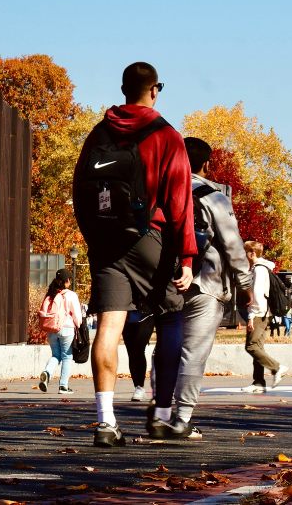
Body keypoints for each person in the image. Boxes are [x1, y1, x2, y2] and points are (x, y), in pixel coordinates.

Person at [73, 62, 196, 448]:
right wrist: (187, 258)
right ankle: (161, 414)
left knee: (109, 326)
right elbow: (180, 201)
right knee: (172, 316)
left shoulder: (99, 133)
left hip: (106, 241)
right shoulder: (167, 135)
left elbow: (79, 189)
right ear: (154, 90)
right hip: (150, 237)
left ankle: (105, 422)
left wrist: (94, 237)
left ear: (123, 89)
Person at [150, 137, 254, 439]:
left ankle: (161, 412)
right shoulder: (214, 197)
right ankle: (182, 417)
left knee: (166, 349)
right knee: (193, 353)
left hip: (166, 282)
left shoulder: (159, 192)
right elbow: (233, 246)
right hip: (206, 283)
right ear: (206, 165)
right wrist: (244, 285)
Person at [241, 242, 288, 393]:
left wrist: (251, 315)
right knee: (258, 347)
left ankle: (277, 368)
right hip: (264, 314)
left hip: (259, 313)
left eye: (246, 252)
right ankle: (259, 383)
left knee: (251, 346)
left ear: (252, 253)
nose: (244, 255)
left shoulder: (259, 270)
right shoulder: (263, 268)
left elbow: (258, 295)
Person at [37, 269, 82, 395]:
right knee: (67, 357)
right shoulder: (71, 295)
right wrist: (78, 325)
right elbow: (77, 316)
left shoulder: (50, 294)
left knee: (56, 355)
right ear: (67, 281)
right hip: (66, 328)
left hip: (51, 329)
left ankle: (47, 372)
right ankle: (63, 386)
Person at [122, 314, 155, 402]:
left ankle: (141, 387)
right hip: (126, 314)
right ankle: (138, 387)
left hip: (147, 313)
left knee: (139, 348)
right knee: (131, 352)